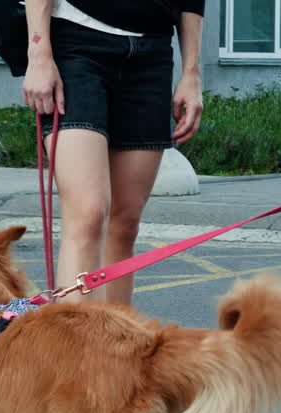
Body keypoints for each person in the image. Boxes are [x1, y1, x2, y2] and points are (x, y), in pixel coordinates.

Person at [22, 0, 205, 305]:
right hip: (76, 43)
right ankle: (78, 348)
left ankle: (117, 349)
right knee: (88, 213)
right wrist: (39, 53)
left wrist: (191, 72)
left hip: (152, 53)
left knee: (125, 224)